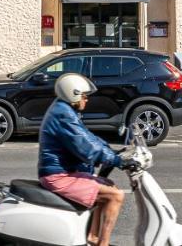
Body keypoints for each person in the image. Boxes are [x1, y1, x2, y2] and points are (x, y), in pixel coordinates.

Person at [38, 73, 129, 246]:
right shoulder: (63, 115)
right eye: (84, 96)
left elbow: (87, 137)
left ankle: (93, 236)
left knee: (108, 185)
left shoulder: (64, 110)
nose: (86, 100)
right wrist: (116, 160)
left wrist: (110, 151)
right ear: (73, 94)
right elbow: (85, 146)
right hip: (58, 176)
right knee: (116, 196)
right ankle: (103, 243)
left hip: (63, 172)